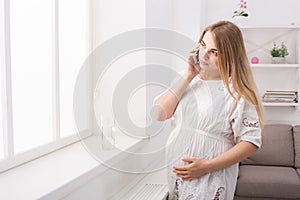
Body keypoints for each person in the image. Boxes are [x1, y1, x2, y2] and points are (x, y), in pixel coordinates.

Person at [153, 20, 264, 200]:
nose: (204, 55)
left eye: (214, 52)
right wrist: (189, 74)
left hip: (210, 177)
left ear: (230, 56)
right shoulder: (189, 78)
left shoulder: (238, 91)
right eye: (203, 45)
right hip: (177, 176)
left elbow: (251, 142)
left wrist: (206, 166)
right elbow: (159, 114)